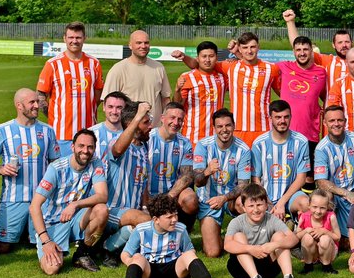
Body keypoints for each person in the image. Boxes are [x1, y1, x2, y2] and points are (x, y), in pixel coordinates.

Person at [0, 88, 62, 253]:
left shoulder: (47, 130)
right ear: (19, 106)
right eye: (32, 102)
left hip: (41, 198)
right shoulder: (3, 130)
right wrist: (0, 168)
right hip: (14, 197)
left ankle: (28, 230)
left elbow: (55, 162)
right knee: (3, 247)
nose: (37, 105)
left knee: (38, 242)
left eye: (37, 101)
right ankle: (21, 229)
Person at [175, 32, 278, 149]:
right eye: (245, 47)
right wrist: (184, 57)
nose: (249, 51)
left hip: (264, 128)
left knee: (263, 165)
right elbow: (200, 65)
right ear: (240, 48)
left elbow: (282, 92)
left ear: (258, 47)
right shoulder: (231, 67)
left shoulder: (272, 69)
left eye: (253, 47)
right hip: (238, 129)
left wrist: (236, 53)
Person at [120, 194, 226, 278]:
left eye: (176, 215)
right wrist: (132, 265)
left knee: (189, 254)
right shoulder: (141, 230)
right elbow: (125, 254)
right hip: (148, 274)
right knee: (137, 257)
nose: (174, 220)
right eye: (169, 217)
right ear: (156, 219)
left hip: (174, 274)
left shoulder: (180, 229)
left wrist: (188, 262)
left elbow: (190, 251)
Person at [28, 129, 110, 275]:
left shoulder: (95, 163)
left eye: (90, 147)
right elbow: (34, 206)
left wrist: (75, 205)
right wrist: (46, 241)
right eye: (81, 146)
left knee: (102, 210)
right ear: (72, 147)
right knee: (52, 269)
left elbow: (103, 195)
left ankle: (82, 254)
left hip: (77, 218)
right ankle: (47, 245)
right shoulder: (56, 169)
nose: (85, 151)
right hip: (54, 221)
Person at [98, 101, 161, 265]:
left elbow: (143, 183)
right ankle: (107, 247)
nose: (150, 126)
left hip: (131, 212)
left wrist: (146, 208)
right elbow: (118, 150)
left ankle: (116, 246)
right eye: (145, 122)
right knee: (146, 222)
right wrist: (138, 114)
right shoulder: (117, 143)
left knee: (154, 220)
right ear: (132, 124)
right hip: (112, 210)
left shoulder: (143, 148)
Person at [223, 184, 303, 278]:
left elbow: (293, 238)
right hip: (241, 270)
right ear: (244, 208)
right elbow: (227, 245)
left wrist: (274, 245)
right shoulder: (237, 222)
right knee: (238, 236)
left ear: (266, 205)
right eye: (251, 206)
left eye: (259, 205)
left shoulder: (271, 219)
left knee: (280, 236)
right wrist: (250, 249)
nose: (255, 210)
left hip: (268, 268)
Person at [192, 108, 252, 258]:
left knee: (242, 203)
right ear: (214, 128)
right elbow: (197, 183)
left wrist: (224, 198)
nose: (224, 130)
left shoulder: (243, 149)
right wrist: (207, 172)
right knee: (213, 253)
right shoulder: (203, 146)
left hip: (230, 199)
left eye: (228, 125)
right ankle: (223, 239)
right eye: (220, 126)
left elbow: (244, 184)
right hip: (208, 200)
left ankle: (253, 238)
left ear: (233, 126)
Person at [37, 21, 104, 151]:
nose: (74, 41)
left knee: (86, 170)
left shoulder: (94, 63)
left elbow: (98, 94)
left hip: (88, 132)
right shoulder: (53, 64)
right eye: (71, 37)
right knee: (61, 170)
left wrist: (86, 109)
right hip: (60, 135)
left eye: (78, 37)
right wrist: (55, 115)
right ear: (64, 39)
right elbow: (41, 95)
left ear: (84, 38)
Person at [312, 105, 354, 241]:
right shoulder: (322, 148)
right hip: (338, 196)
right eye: (331, 121)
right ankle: (326, 232)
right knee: (326, 194)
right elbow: (321, 181)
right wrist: (346, 193)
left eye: (339, 120)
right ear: (325, 123)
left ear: (345, 121)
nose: (336, 124)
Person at [251, 100, 312, 222]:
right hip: (265, 196)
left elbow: (301, 178)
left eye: (286, 117)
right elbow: (255, 179)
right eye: (278, 117)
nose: (282, 121)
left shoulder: (301, 141)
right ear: (270, 118)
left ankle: (299, 233)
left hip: (291, 196)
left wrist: (281, 203)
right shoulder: (259, 143)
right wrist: (268, 203)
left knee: (306, 204)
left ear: (291, 117)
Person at [146, 102, 200, 233]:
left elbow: (187, 176)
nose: (176, 122)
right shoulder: (148, 138)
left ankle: (184, 231)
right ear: (162, 118)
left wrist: (169, 197)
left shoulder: (184, 143)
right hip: (147, 195)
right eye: (172, 118)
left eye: (180, 119)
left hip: (172, 194)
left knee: (191, 199)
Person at [102, 30, 171, 118]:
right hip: (129, 128)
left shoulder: (159, 67)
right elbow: (109, 102)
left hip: (154, 128)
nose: (143, 46)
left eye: (146, 43)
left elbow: (165, 99)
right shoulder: (118, 69)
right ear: (130, 45)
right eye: (139, 43)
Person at [276, 34, 328, 149]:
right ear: (293, 51)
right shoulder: (284, 67)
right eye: (298, 50)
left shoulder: (321, 73)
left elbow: (326, 96)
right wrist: (237, 54)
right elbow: (259, 67)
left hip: (309, 135)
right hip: (284, 133)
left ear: (311, 51)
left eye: (305, 49)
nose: (302, 53)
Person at [283, 9, 353, 87]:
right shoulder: (327, 61)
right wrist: (290, 22)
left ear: (352, 43)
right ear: (333, 45)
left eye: (347, 42)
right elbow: (299, 45)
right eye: (340, 42)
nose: (344, 45)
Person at [177, 41, 227, 146]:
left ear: (216, 58)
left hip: (216, 136)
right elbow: (178, 105)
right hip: (192, 136)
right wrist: (177, 90)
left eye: (211, 56)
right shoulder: (187, 77)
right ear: (197, 58)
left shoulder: (223, 78)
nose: (207, 60)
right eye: (204, 56)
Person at [298, 191, 341, 274]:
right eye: (315, 207)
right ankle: (308, 266)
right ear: (309, 205)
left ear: (327, 207)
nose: (318, 211)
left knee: (325, 239)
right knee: (307, 237)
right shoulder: (304, 217)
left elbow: (338, 237)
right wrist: (306, 231)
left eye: (322, 208)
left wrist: (325, 231)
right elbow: (297, 237)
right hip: (312, 251)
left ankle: (327, 266)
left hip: (329, 251)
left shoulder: (331, 217)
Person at [89, 92, 130, 160]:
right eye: (110, 107)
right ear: (103, 107)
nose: (114, 112)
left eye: (119, 108)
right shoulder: (91, 133)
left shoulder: (130, 135)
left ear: (125, 109)